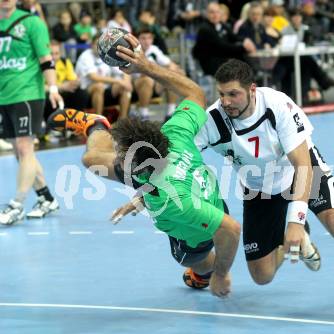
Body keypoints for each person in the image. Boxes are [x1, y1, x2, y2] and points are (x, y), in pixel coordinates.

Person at [192, 59, 334, 329]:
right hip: (259, 187)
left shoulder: (277, 105)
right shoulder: (214, 120)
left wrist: (295, 220)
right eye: (221, 94)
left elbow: (303, 165)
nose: (226, 101)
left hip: (300, 169)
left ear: (252, 90)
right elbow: (182, 154)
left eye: (233, 94)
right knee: (262, 275)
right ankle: (298, 240)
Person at [47, 33, 241, 298]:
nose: (118, 157)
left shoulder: (171, 200)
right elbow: (195, 94)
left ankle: (203, 274)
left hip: (191, 222)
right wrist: (146, 67)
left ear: (138, 167)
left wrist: (220, 274)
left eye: (123, 155)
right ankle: (96, 125)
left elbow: (230, 229)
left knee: (189, 258)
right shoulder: (173, 134)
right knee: (91, 160)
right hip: (196, 194)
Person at [0, 0, 62, 225]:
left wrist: (53, 88)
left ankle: (17, 204)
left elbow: (46, 60)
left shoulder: (32, 22)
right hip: (3, 96)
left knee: (25, 147)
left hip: (27, 94)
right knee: (19, 151)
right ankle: (46, 198)